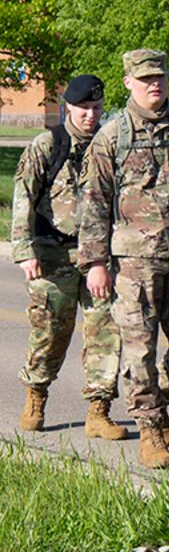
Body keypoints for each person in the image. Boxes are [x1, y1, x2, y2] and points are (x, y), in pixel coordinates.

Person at [79, 49, 169, 468]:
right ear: (128, 82)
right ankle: (150, 431)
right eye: (145, 79)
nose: (154, 85)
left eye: (159, 77)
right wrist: (96, 263)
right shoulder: (112, 137)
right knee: (138, 349)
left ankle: (160, 397)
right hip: (132, 261)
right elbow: (94, 204)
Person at [12, 74, 124, 440]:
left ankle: (99, 409)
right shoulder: (48, 144)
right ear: (69, 108)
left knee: (105, 331)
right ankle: (36, 396)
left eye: (96, 108)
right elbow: (24, 197)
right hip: (52, 253)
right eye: (84, 109)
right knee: (50, 331)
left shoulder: (110, 144)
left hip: (98, 257)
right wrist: (25, 250)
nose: (91, 115)